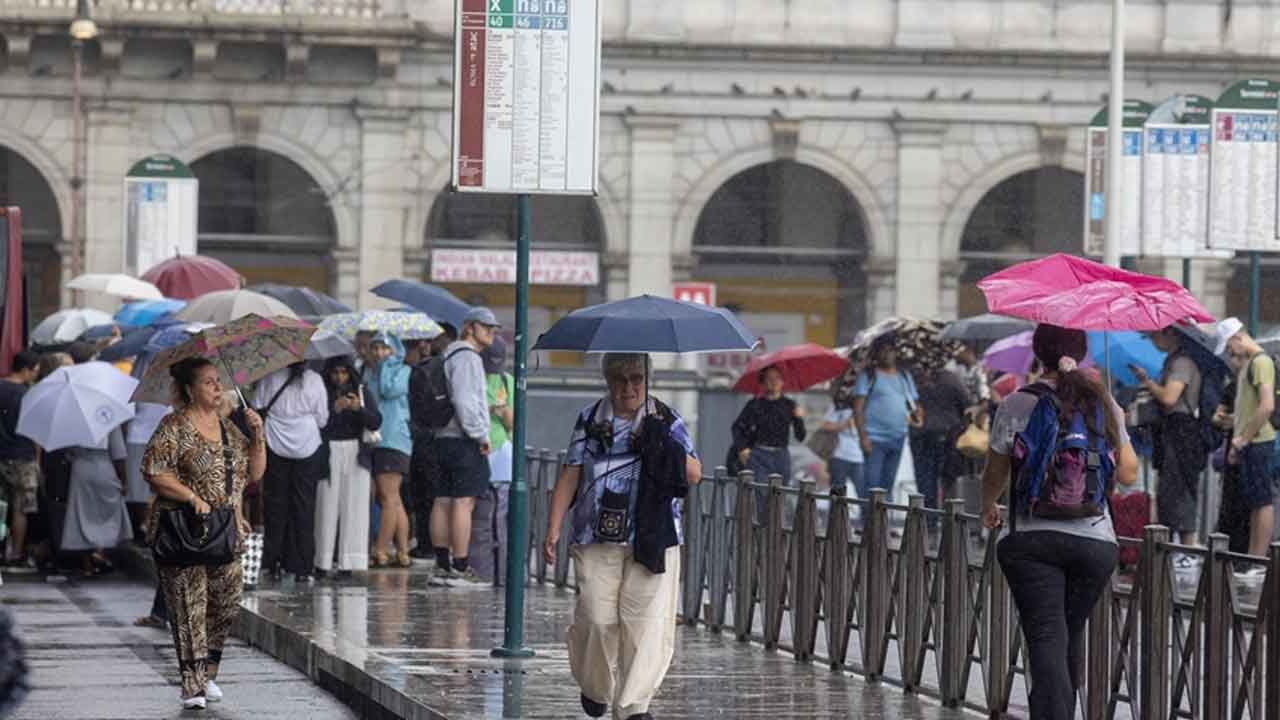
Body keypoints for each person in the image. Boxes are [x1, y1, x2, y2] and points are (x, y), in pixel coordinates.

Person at [979, 324, 1138, 720]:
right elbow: (1131, 474)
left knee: (1047, 634)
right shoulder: (1104, 403)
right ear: (1082, 354)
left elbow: (995, 471)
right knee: (1068, 630)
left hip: (1032, 541)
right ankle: (1056, 709)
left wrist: (988, 505)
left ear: (1039, 354)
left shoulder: (1017, 402)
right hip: (1096, 544)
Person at [543, 352, 702, 720]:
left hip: (652, 537)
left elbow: (695, 473)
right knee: (596, 619)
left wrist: (660, 444)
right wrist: (553, 526)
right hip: (595, 535)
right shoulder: (589, 418)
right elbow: (571, 471)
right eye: (620, 379)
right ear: (608, 381)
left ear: (647, 381)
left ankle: (633, 707)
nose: (628, 387)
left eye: (636, 379)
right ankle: (596, 687)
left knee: (644, 627)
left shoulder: (665, 419)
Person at [143, 357, 265, 710]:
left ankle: (208, 671)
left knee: (225, 601)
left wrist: (258, 435)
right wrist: (191, 496)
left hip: (223, 530)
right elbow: (153, 471)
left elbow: (252, 474)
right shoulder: (174, 426)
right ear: (189, 390)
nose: (217, 388)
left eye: (218, 381)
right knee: (188, 606)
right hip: (182, 529)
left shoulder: (230, 429)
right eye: (209, 382)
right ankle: (192, 684)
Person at [428, 307, 499, 585]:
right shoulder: (468, 358)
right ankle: (459, 565)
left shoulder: (449, 354)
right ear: (470, 327)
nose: (492, 332)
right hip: (463, 439)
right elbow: (466, 401)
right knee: (463, 502)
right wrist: (481, 435)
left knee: (443, 499)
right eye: (487, 327)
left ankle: (442, 564)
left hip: (442, 437)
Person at [1133, 326, 1205, 558]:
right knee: (1168, 492)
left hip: (1182, 434)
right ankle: (1177, 549)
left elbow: (1169, 397)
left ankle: (1185, 550)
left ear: (1171, 334)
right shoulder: (1172, 361)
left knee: (1179, 491)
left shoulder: (1182, 362)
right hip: (1171, 434)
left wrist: (1148, 381)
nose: (1153, 341)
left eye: (1155, 335)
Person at [255, 361, 329, 582]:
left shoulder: (270, 376)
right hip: (308, 445)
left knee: (275, 505)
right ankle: (303, 565)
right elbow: (323, 419)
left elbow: (258, 403)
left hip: (275, 441)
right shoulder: (315, 380)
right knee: (304, 506)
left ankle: (272, 562)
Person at [1215, 318, 1276, 573]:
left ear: (1237, 338)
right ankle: (1253, 558)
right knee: (1254, 501)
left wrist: (1243, 439)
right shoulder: (1252, 364)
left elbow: (1266, 405)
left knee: (1261, 501)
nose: (1231, 354)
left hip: (1258, 441)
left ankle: (1257, 560)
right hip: (1251, 441)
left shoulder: (1261, 362)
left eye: (1230, 348)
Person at [315, 356, 381, 576]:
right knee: (326, 506)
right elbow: (319, 424)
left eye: (343, 372)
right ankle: (323, 560)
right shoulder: (322, 391)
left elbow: (376, 421)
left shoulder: (361, 391)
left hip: (355, 451)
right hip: (330, 450)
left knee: (355, 508)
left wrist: (357, 408)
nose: (339, 377)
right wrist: (334, 409)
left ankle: (350, 562)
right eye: (335, 372)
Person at [365, 333, 413, 568]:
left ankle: (381, 550)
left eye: (384, 348)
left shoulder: (403, 371)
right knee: (393, 499)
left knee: (388, 497)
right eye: (375, 348)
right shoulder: (369, 372)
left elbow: (388, 390)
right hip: (376, 440)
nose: (379, 353)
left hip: (394, 440)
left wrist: (385, 366)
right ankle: (403, 551)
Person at [852, 339, 922, 500]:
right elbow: (858, 408)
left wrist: (917, 413)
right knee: (872, 484)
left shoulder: (904, 376)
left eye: (890, 350)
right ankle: (867, 521)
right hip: (874, 438)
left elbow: (914, 403)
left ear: (896, 353)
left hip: (898, 437)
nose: (887, 354)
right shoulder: (868, 376)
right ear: (876, 354)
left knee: (888, 483)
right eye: (882, 350)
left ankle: (883, 522)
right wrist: (863, 437)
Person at [470, 335, 513, 582]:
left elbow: (512, 424)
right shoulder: (472, 379)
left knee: (501, 521)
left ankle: (502, 575)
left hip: (501, 458)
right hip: (477, 454)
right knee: (479, 521)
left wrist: (502, 410)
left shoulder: (507, 382)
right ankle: (482, 573)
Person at [909, 367, 969, 522]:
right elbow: (965, 404)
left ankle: (929, 521)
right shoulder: (951, 378)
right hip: (949, 434)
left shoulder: (912, 379)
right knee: (948, 480)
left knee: (925, 481)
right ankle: (950, 519)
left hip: (922, 435)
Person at [0, 350, 40, 571]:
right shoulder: (27, 395)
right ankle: (15, 554)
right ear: (25, 369)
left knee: (1, 506)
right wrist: (38, 459)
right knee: (21, 508)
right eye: (34, 371)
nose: (34, 375)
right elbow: (34, 431)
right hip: (22, 456)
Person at [820, 392, 863, 497]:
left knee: (864, 495)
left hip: (861, 458)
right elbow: (824, 425)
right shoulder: (840, 404)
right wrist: (844, 424)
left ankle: (864, 514)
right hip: (839, 456)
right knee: (837, 496)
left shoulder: (872, 405)